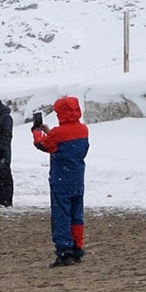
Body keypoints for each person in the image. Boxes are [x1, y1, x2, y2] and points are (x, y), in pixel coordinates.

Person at [33, 97, 89, 267]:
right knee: (76, 214)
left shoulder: (59, 133)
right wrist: (50, 132)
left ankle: (64, 251)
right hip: (77, 177)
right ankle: (77, 247)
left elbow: (43, 145)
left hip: (61, 179)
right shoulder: (83, 129)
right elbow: (63, 143)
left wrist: (37, 132)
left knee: (61, 215)